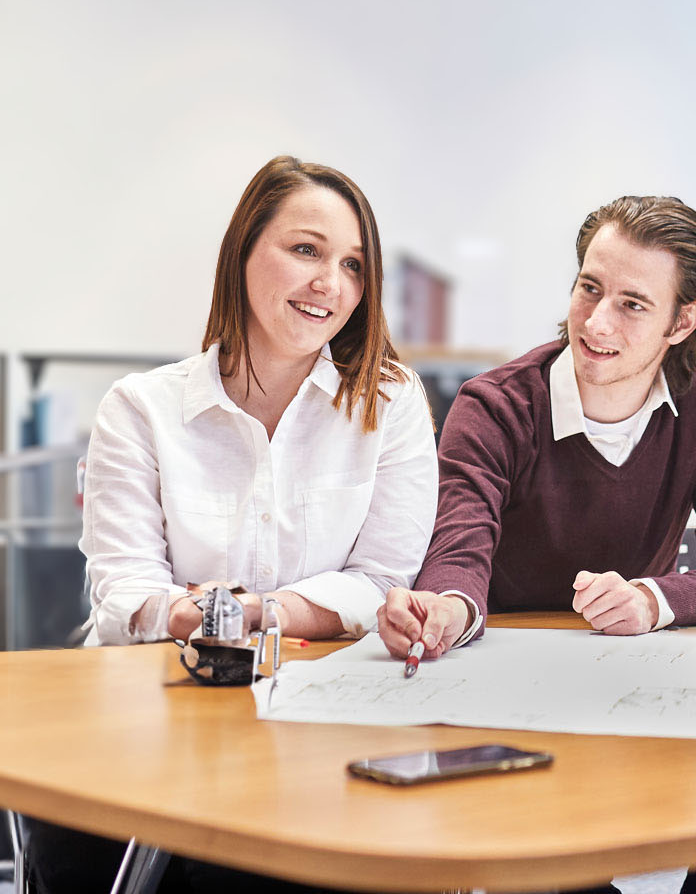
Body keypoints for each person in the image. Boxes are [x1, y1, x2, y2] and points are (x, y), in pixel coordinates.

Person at [30, 155, 438, 892]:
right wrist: (206, 612)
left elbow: (381, 583)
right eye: (306, 250)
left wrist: (245, 611)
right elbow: (125, 599)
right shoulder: (140, 409)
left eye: (352, 265)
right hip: (142, 721)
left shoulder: (390, 403)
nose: (330, 284)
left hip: (312, 722)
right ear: (244, 251)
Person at [377, 194, 696, 894]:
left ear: (684, 322)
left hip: (633, 680)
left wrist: (653, 599)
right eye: (589, 288)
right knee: (557, 863)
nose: (595, 323)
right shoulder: (496, 405)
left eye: (632, 304)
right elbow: (460, 545)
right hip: (508, 694)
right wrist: (447, 606)